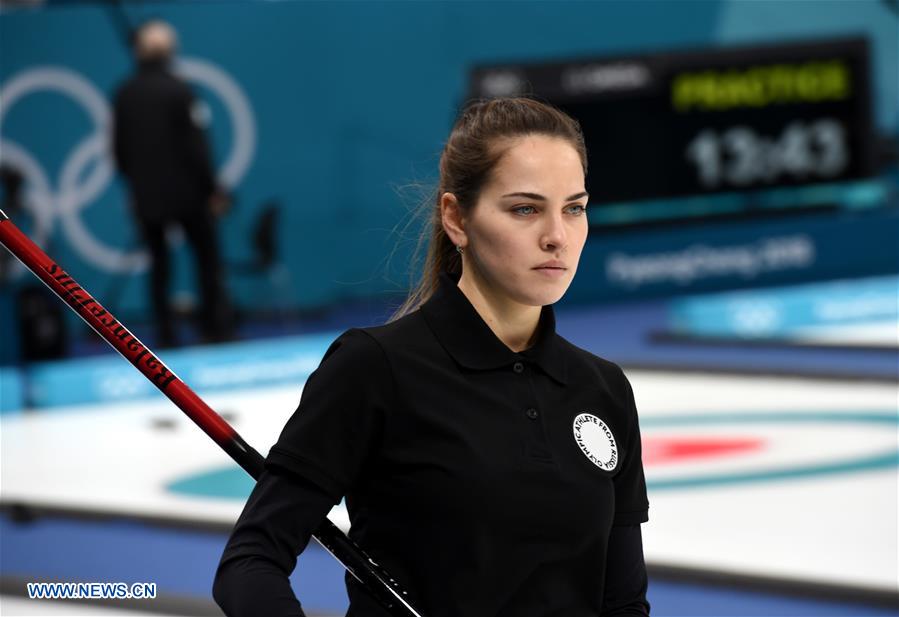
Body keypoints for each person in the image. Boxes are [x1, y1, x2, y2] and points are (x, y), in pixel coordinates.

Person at [212, 97, 650, 616]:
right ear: (456, 219)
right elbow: (250, 562)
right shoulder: (374, 369)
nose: (557, 236)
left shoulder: (603, 389)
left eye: (573, 208)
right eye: (525, 209)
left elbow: (622, 602)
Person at [112, 20, 233, 347]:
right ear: (169, 51)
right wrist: (212, 189)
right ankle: (214, 328)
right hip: (188, 195)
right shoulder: (180, 90)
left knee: (159, 265)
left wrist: (135, 186)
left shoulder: (125, 93)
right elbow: (197, 148)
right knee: (206, 258)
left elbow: (119, 150)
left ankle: (165, 334)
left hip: (148, 196)